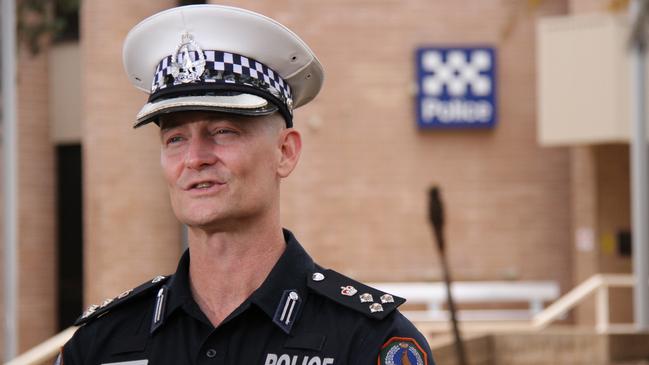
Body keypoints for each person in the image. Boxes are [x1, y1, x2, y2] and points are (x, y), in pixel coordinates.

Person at [58, 4, 435, 365]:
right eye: (175, 138)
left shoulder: (368, 341)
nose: (195, 158)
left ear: (285, 152)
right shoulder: (100, 345)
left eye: (223, 131)